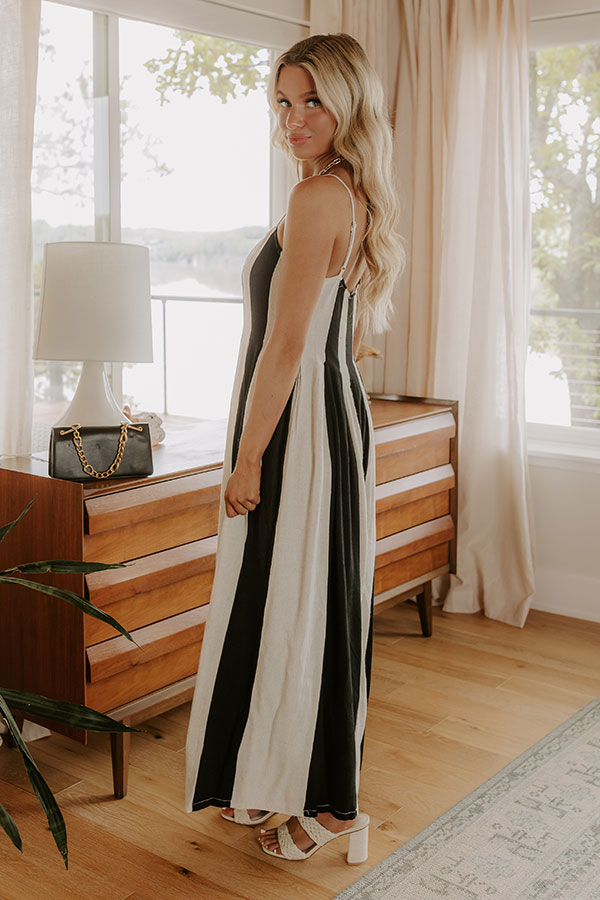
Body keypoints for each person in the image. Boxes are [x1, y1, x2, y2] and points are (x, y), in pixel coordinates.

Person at [185, 32, 405, 864]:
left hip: (300, 426)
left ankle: (335, 809)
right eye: (283, 101)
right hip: (323, 414)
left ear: (348, 104)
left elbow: (284, 346)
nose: (294, 118)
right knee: (298, 601)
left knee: (301, 602)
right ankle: (271, 774)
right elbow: (326, 334)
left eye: (312, 100)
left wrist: (247, 459)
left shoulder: (320, 197)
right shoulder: (343, 191)